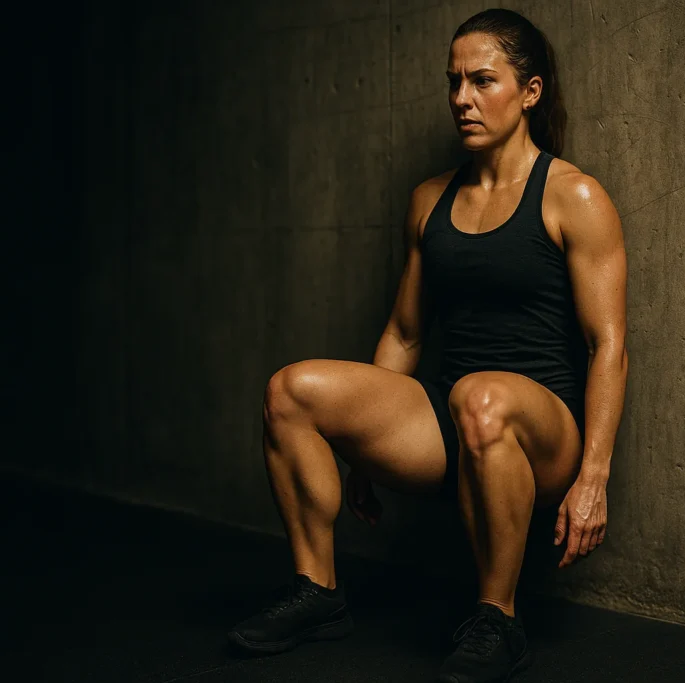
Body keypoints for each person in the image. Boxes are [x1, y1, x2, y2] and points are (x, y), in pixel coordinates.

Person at [228, 7, 628, 682]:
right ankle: (319, 591)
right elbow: (406, 332)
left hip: (542, 431)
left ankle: (496, 618)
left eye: (482, 80)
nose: (461, 99)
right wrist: (363, 450)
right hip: (451, 417)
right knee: (289, 390)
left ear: (529, 92)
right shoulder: (429, 201)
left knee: (482, 396)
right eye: (453, 82)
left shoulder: (575, 196)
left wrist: (593, 477)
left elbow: (609, 343)